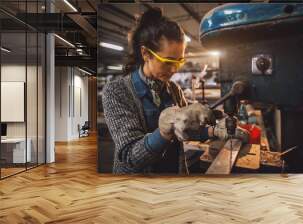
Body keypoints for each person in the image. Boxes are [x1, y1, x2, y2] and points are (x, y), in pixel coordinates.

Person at [102, 7, 248, 174]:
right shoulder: (116, 92)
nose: (174, 69)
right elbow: (130, 157)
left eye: (179, 62)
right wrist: (163, 132)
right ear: (146, 54)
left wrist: (214, 131)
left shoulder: (173, 89)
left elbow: (186, 129)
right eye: (168, 61)